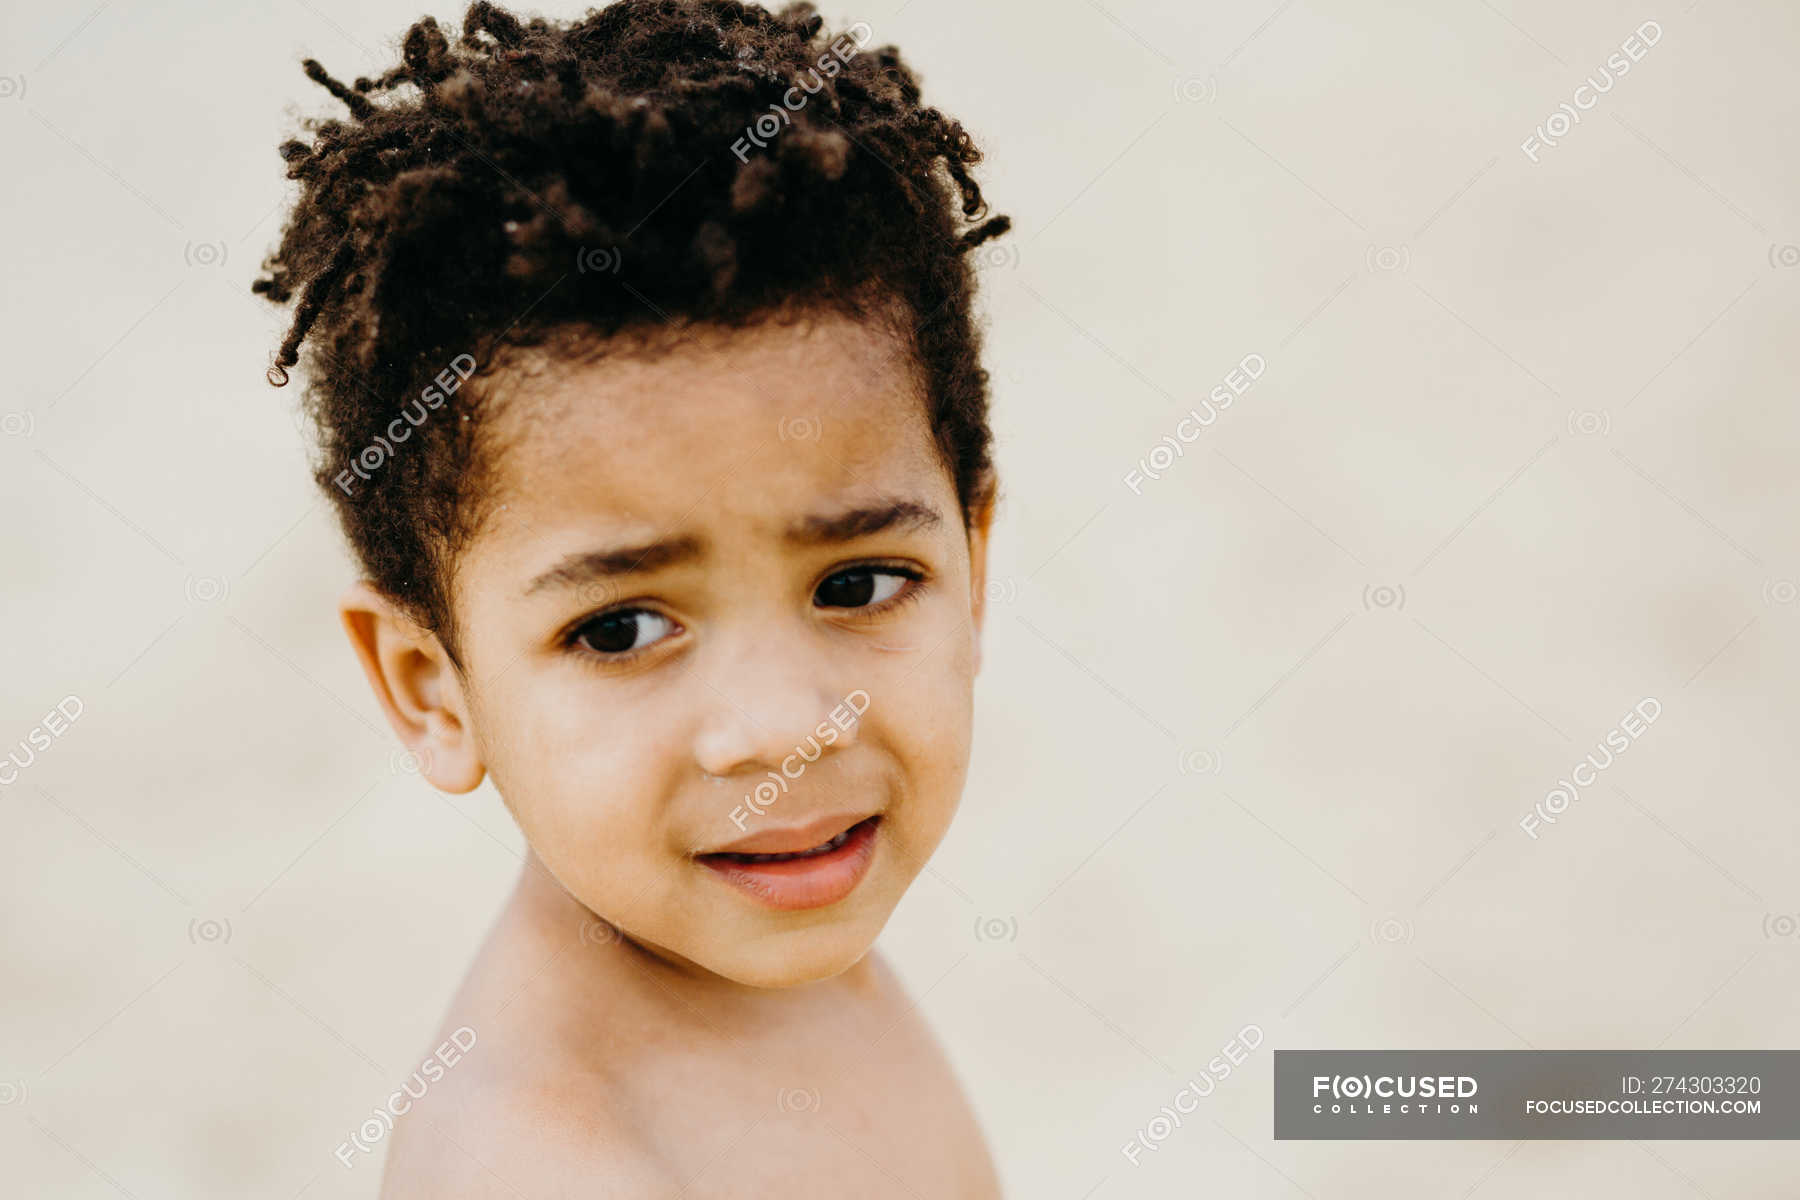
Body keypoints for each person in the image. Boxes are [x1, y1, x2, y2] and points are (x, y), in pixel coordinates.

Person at [253, 1, 1011, 1194]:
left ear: (973, 563)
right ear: (430, 687)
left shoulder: (784, 918)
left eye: (859, 583)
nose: (780, 726)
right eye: (620, 628)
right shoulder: (547, 1164)